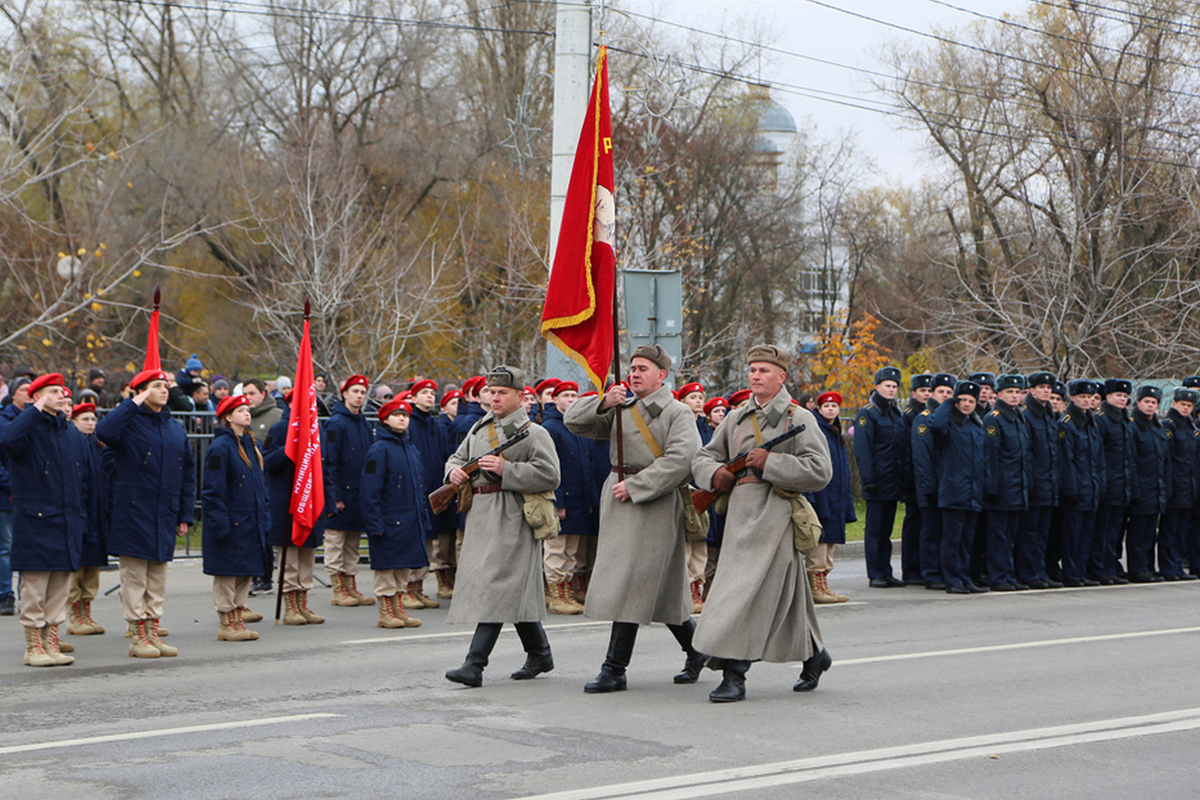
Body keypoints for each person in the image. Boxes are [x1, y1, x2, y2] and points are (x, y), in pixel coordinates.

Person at [692, 344, 834, 702]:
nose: (755, 376)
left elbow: (820, 471)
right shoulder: (737, 417)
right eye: (752, 369)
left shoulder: (799, 419)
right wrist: (717, 474)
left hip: (775, 517)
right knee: (785, 597)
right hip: (740, 516)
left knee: (747, 596)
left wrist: (770, 463)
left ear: (781, 377)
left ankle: (734, 675)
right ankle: (815, 655)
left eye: (764, 371)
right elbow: (704, 456)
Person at [564, 344, 706, 693]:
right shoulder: (622, 406)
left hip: (652, 500)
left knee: (631, 582)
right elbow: (573, 421)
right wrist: (602, 402)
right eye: (633, 367)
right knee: (658, 589)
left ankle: (614, 669)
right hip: (619, 496)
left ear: (662, 375)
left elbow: (682, 459)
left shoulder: (677, 412)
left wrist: (639, 485)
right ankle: (698, 649)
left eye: (643, 368)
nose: (635, 373)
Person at [444, 365, 561, 686]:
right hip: (480, 513)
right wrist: (452, 472)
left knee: (497, 586)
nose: (494, 398)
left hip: (513, 515)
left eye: (502, 393)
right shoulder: (480, 428)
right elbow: (456, 457)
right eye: (491, 392)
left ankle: (474, 665)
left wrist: (507, 469)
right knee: (508, 588)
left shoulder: (535, 433)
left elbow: (551, 475)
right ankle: (540, 653)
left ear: (520, 396)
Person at [96, 368, 194, 658]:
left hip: (164, 513)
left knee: (157, 579)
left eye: (166, 385)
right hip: (133, 513)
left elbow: (187, 474)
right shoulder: (128, 423)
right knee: (135, 578)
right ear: (141, 392)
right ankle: (138, 633)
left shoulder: (175, 428)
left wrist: (184, 515)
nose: (164, 390)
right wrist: (133, 402)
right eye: (156, 386)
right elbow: (104, 431)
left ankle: (153, 631)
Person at [0, 374, 92, 666]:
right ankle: (33, 647)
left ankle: (51, 642)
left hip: (67, 519)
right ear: (36, 396)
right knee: (35, 586)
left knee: (59, 586)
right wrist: (34, 410)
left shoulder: (69, 432)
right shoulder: (26, 427)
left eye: (62, 392)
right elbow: (8, 441)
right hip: (36, 519)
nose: (61, 396)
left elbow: (83, 477)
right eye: (52, 392)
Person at [202, 395, 271, 642]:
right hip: (231, 522)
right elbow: (213, 490)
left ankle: (238, 616)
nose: (247, 413)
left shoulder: (252, 444)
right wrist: (220, 525)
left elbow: (260, 485)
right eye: (240, 410)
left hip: (251, 521)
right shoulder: (220, 447)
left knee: (245, 571)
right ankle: (226, 621)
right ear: (228, 417)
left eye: (247, 409)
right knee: (227, 574)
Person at [360, 398, 428, 628]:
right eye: (396, 415)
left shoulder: (410, 448)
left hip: (409, 519)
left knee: (403, 567)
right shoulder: (378, 449)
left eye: (405, 415)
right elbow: (369, 490)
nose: (402, 418)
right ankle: (385, 612)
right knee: (386, 569)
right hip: (388, 520)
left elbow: (419, 486)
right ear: (384, 419)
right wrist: (374, 523)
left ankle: (398, 608)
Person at [540, 380, 596, 614]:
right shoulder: (551, 427)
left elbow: (588, 466)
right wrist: (558, 501)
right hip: (563, 498)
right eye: (566, 396)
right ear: (555, 399)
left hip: (580, 499)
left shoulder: (578, 427)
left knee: (572, 550)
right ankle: (555, 595)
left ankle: (568, 591)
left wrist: (591, 500)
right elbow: (551, 468)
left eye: (574, 396)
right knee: (556, 548)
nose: (571, 400)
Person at [929, 380, 986, 594]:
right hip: (954, 490)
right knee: (952, 539)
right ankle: (952, 579)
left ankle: (964, 576)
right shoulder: (949, 422)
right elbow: (935, 425)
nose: (967, 404)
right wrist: (947, 404)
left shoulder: (976, 426)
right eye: (963, 400)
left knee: (967, 540)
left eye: (971, 401)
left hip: (973, 491)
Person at [323, 374, 376, 607]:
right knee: (336, 540)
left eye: (363, 392)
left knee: (353, 542)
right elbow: (329, 461)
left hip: (358, 492)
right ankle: (338, 589)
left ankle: (351, 586)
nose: (359, 396)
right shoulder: (336, 423)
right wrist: (335, 496)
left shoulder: (363, 422)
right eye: (355, 391)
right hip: (341, 492)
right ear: (344, 394)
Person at [853, 366, 907, 587]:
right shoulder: (868, 413)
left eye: (895, 386)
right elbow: (863, 450)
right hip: (876, 480)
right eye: (887, 386)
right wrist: (869, 479)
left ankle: (886, 571)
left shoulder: (895, 413)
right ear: (877, 387)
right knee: (875, 530)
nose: (892, 390)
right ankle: (875, 573)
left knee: (886, 529)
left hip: (892, 480)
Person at [404, 378, 452, 606]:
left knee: (429, 542)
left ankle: (419, 587)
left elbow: (444, 457)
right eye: (423, 392)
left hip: (433, 491)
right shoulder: (409, 423)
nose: (429, 396)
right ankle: (407, 588)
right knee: (413, 540)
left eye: (432, 393)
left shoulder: (436, 425)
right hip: (414, 491)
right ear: (413, 398)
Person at [982, 375, 1031, 590]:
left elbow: (1023, 455)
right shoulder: (994, 418)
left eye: (1018, 392)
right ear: (999, 394)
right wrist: (992, 488)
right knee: (998, 536)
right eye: (1010, 392)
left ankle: (1009, 575)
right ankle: (998, 576)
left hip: (1017, 486)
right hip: (1001, 487)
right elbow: (990, 457)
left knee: (1011, 535)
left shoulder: (1018, 416)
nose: (1014, 396)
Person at [1057, 379, 1106, 587]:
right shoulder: (1066, 423)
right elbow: (1065, 461)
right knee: (1072, 536)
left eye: (1090, 397)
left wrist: (1100, 486)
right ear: (1073, 398)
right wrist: (1071, 489)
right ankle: (1071, 572)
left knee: (1086, 535)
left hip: (1091, 488)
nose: (1087, 401)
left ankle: (1080, 571)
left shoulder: (1091, 422)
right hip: (1076, 490)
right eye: (1083, 397)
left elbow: (1099, 459)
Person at [805, 390, 853, 604]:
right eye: (826, 406)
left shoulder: (836, 433)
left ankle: (824, 583)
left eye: (834, 406)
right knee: (820, 542)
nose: (831, 409)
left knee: (830, 543)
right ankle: (814, 585)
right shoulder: (816, 430)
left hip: (836, 496)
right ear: (819, 409)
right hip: (822, 494)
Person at [66, 400, 109, 636]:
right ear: (73, 421)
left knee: (92, 569)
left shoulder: (97, 445)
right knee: (77, 570)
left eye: (93, 419)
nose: (91, 423)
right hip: (80, 514)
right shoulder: (73, 444)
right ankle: (74, 615)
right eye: (85, 419)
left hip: (96, 514)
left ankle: (86, 612)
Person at [912, 372, 956, 589]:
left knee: (944, 532)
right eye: (941, 392)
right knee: (930, 531)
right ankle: (930, 574)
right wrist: (928, 487)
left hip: (948, 485)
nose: (945, 396)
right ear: (932, 393)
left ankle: (942, 571)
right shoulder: (924, 418)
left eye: (949, 392)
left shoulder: (951, 418)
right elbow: (922, 458)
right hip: (930, 486)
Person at [1019, 372, 1061, 589]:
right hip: (1034, 484)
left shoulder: (1048, 414)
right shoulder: (1026, 413)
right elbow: (1026, 453)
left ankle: (1040, 571)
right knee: (1030, 532)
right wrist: (1031, 483)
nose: (1046, 390)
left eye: (1049, 387)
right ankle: (1029, 572)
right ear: (1032, 390)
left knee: (1043, 532)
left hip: (1049, 483)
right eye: (1042, 386)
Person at [1093, 379, 1134, 584]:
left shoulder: (1124, 420)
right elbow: (1098, 455)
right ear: (1108, 397)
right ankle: (1100, 569)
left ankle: (1110, 567)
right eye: (1118, 395)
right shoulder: (1101, 419)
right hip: (1107, 484)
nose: (1122, 399)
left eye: (1125, 396)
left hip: (1121, 485)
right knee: (1103, 531)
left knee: (1114, 532)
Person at [676, 381, 710, 611]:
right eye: (692, 397)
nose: (698, 401)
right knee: (687, 541)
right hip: (686, 488)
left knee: (701, 542)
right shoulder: (680, 422)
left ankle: (697, 585)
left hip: (705, 488)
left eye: (700, 397)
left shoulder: (705, 426)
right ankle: (686, 589)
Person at [0, 376, 30, 616]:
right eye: (24, 389)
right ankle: (5, 595)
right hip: (7, 494)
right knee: (6, 547)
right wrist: (13, 484)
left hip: (31, 497)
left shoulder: (36, 419)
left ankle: (26, 595)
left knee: (27, 546)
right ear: (13, 394)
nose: (29, 392)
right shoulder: (3, 420)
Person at [899, 374, 933, 583]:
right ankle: (911, 570)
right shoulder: (910, 415)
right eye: (922, 391)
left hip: (924, 479)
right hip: (913, 479)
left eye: (929, 391)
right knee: (913, 527)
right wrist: (909, 481)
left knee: (924, 526)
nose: (926, 394)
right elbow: (905, 450)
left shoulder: (929, 414)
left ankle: (921, 567)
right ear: (914, 393)